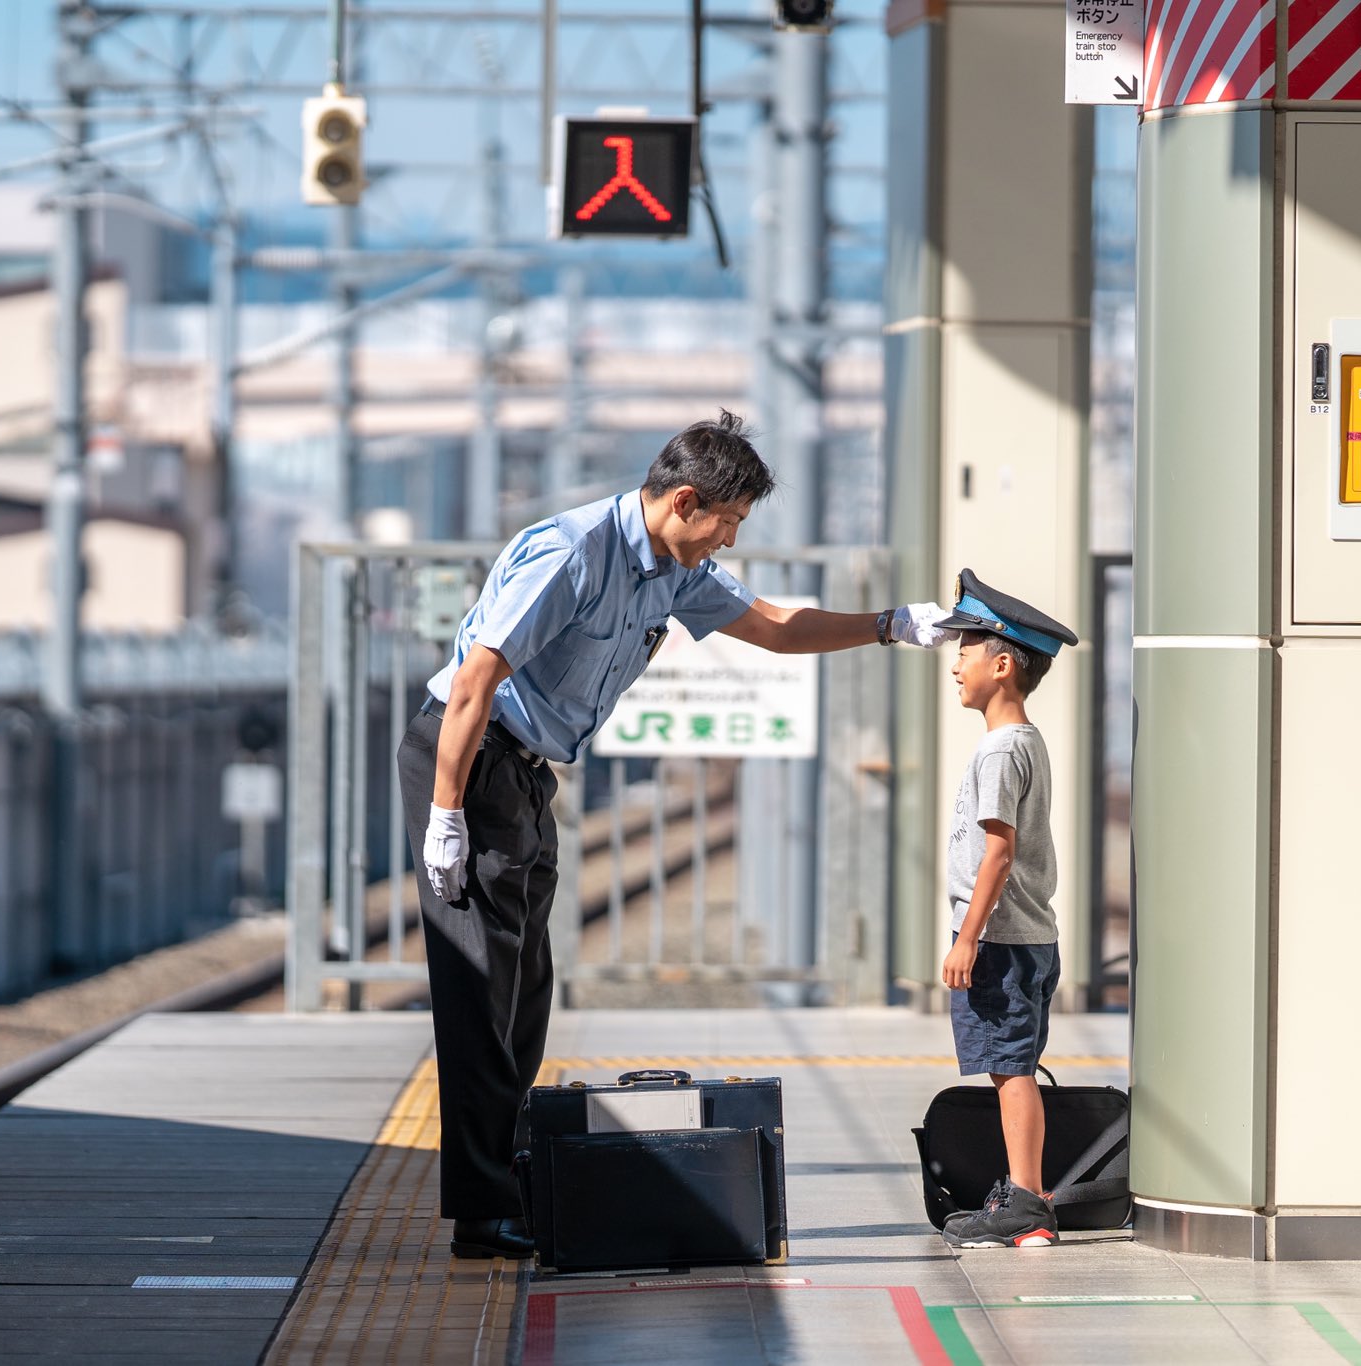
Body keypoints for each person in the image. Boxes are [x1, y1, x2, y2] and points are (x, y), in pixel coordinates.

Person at [395, 410, 954, 1260]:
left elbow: (773, 627)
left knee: (524, 992)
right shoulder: (574, 553)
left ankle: (508, 1182)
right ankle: (482, 1211)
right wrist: (445, 815)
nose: (728, 540)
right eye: (727, 521)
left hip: (523, 775)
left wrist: (893, 624)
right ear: (685, 500)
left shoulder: (672, 567)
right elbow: (476, 679)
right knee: (479, 992)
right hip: (466, 757)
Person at [933, 569, 1079, 1250]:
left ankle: (1026, 1201)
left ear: (1001, 664)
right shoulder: (1025, 743)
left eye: (965, 649)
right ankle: (1026, 1199)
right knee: (1011, 1067)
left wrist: (967, 940)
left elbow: (997, 854)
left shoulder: (1000, 750)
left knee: (1012, 1073)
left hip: (1002, 940)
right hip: (1025, 938)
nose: (955, 663)